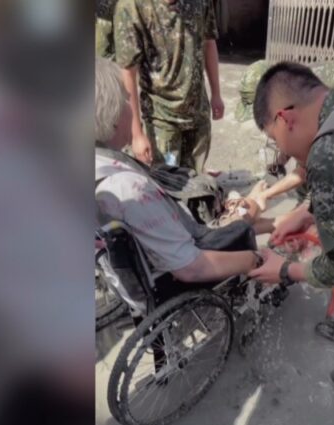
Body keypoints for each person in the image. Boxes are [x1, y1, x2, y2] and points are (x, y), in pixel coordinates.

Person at [248, 62, 334, 425]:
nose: (281, 151)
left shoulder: (330, 150)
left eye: (273, 138)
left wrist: (284, 270)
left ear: (285, 118)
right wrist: (307, 211)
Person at [95, 58, 259, 283]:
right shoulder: (130, 189)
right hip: (174, 276)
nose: (131, 107)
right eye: (126, 100)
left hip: (135, 266)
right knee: (245, 228)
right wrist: (254, 260)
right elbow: (191, 268)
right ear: (112, 114)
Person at [113, 0, 223, 172]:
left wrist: (216, 94)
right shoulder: (132, 6)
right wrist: (137, 134)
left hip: (198, 115)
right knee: (166, 183)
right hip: (161, 120)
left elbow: (209, 42)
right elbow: (128, 72)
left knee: (196, 180)